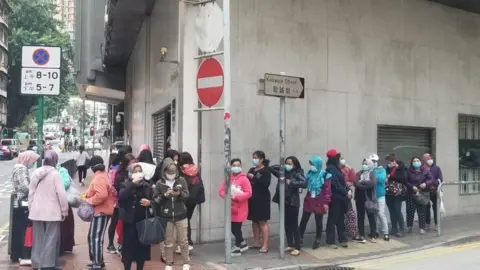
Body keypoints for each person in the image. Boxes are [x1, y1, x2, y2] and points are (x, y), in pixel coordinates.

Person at [28, 150, 69, 270]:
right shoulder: (55, 174)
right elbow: (61, 194)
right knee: (51, 238)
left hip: (36, 211)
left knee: (38, 238)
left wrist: (32, 208)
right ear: (54, 160)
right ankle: (48, 264)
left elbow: (31, 193)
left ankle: (36, 263)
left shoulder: (36, 172)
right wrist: (64, 210)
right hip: (52, 212)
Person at [154, 158, 190, 270]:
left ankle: (186, 262)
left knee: (183, 241)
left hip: (181, 215)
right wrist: (165, 196)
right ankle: (169, 263)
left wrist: (179, 194)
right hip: (167, 216)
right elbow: (155, 200)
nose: (171, 175)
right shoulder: (160, 183)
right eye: (169, 173)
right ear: (164, 171)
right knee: (168, 242)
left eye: (173, 173)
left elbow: (187, 195)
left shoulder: (181, 180)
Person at [118, 164, 153, 270]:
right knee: (128, 248)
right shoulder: (126, 185)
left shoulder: (147, 186)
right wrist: (132, 184)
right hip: (130, 221)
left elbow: (154, 200)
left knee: (141, 249)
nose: (138, 173)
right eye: (135, 171)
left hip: (143, 221)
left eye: (139, 171)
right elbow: (121, 196)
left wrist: (149, 202)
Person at [84, 155, 115, 269]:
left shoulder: (99, 178)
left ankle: (97, 263)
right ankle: (97, 260)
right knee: (92, 236)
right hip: (102, 210)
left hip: (101, 211)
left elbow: (101, 195)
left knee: (96, 238)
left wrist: (89, 200)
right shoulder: (102, 175)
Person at [9, 151, 40, 265]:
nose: (32, 163)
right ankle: (22, 255)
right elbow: (25, 187)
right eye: (32, 161)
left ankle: (16, 254)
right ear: (27, 159)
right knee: (23, 230)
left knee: (18, 229)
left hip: (18, 203)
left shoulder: (17, 167)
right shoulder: (21, 169)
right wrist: (34, 189)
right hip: (23, 203)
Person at [272, 156, 306, 256]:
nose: (287, 165)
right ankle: (290, 244)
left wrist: (292, 182)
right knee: (286, 224)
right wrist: (282, 166)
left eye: (290, 164)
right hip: (282, 201)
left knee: (294, 224)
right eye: (286, 163)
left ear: (295, 164)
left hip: (293, 202)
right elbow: (271, 168)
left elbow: (304, 183)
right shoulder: (283, 173)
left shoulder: (297, 173)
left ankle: (297, 246)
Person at [219, 158, 252, 256]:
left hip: (240, 208)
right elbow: (221, 190)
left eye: (238, 165)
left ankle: (238, 247)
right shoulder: (228, 178)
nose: (236, 167)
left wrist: (237, 196)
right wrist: (227, 197)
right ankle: (242, 243)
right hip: (231, 207)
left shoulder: (244, 179)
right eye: (234, 165)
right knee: (233, 227)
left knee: (236, 228)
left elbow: (249, 193)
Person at [299, 156, 331, 250]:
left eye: (313, 164)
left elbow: (328, 190)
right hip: (309, 199)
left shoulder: (325, 175)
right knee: (304, 219)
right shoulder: (309, 173)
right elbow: (304, 184)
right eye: (311, 164)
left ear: (318, 164)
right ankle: (299, 238)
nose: (311, 166)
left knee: (319, 221)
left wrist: (326, 202)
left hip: (319, 200)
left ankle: (317, 239)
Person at [107, 152, 136, 254]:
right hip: (118, 202)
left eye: (134, 163)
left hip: (130, 203)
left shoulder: (136, 173)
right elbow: (117, 188)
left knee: (126, 224)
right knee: (114, 222)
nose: (133, 166)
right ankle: (111, 244)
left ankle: (124, 244)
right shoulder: (120, 175)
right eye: (131, 163)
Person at [178, 151, 205, 252]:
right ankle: (188, 242)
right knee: (187, 219)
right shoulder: (195, 169)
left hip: (185, 198)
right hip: (194, 199)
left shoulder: (181, 169)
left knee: (184, 221)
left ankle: (187, 242)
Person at [325, 149, 350, 249]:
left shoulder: (337, 168)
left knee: (340, 218)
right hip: (335, 197)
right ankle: (330, 241)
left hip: (341, 197)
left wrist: (349, 190)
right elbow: (335, 184)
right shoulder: (330, 168)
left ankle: (342, 238)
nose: (341, 159)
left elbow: (343, 182)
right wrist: (345, 192)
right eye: (340, 157)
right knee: (333, 218)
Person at [247, 151, 271, 253]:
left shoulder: (266, 170)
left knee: (262, 221)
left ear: (261, 159)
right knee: (254, 221)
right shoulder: (252, 169)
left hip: (262, 198)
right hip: (252, 198)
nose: (254, 159)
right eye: (253, 157)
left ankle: (265, 244)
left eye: (256, 157)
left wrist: (255, 177)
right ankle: (256, 242)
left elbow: (266, 183)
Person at [406, 156, 434, 234]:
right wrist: (412, 186)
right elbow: (405, 181)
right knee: (410, 211)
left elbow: (432, 179)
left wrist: (426, 183)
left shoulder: (425, 171)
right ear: (412, 163)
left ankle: (422, 228)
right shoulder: (409, 171)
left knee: (421, 211)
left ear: (420, 162)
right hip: (411, 193)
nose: (416, 162)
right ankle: (409, 226)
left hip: (422, 194)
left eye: (417, 160)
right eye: (414, 161)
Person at [353, 158, 378, 243]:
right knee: (360, 216)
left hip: (369, 198)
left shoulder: (372, 173)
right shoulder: (358, 173)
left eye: (366, 164)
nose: (364, 165)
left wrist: (362, 182)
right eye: (363, 163)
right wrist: (365, 183)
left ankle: (373, 235)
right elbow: (356, 183)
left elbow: (373, 183)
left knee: (371, 216)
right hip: (360, 198)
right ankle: (361, 234)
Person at [385, 154, 407, 237]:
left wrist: (391, 176)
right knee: (391, 210)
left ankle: (402, 229)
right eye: (388, 162)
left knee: (397, 210)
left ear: (394, 161)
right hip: (389, 191)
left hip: (398, 192)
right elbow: (387, 176)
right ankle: (394, 228)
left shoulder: (401, 168)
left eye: (390, 161)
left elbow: (403, 177)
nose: (389, 163)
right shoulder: (388, 168)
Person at [370, 154, 389, 241]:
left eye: (375, 161)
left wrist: (374, 172)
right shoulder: (368, 170)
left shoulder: (382, 170)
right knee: (373, 214)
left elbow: (381, 179)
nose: (374, 163)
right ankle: (375, 231)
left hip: (380, 195)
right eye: (372, 161)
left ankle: (386, 233)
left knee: (380, 213)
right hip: (371, 195)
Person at [57, 163, 75, 253]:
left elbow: (66, 183)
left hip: (64, 201)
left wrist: (55, 187)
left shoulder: (62, 170)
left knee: (65, 225)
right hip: (57, 202)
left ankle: (65, 246)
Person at [423, 153, 443, 231]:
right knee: (426, 208)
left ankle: (436, 224)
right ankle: (427, 224)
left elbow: (440, 179)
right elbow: (421, 178)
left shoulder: (437, 168)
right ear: (424, 159)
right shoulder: (422, 168)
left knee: (435, 208)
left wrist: (434, 184)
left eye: (430, 158)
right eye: (428, 158)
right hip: (425, 191)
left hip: (435, 190)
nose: (430, 160)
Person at [339, 154, 357, 239]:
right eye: (340, 159)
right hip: (339, 194)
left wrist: (351, 169)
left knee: (350, 213)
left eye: (343, 158)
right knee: (340, 215)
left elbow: (353, 180)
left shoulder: (347, 169)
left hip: (347, 194)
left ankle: (351, 232)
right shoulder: (337, 169)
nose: (342, 160)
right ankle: (342, 234)